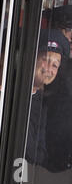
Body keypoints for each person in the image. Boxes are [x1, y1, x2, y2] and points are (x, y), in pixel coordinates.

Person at [26, 28, 70, 169]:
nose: (49, 69)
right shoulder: (19, 95)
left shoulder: (48, 103)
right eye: (45, 60)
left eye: (55, 65)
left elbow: (40, 154)